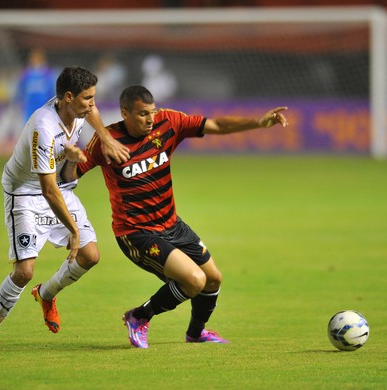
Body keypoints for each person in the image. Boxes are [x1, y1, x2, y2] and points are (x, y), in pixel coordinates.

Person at [62, 85, 288, 348]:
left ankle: (196, 333)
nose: (150, 119)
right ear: (125, 113)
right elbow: (70, 176)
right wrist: (71, 159)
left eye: (152, 112)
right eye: (143, 114)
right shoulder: (107, 142)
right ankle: (138, 316)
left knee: (213, 278)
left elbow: (214, 125)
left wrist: (258, 123)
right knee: (194, 280)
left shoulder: (168, 122)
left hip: (172, 224)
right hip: (136, 233)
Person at [0, 66, 130, 352]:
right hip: (25, 193)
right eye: (87, 98)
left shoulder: (76, 110)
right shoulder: (43, 128)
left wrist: (105, 138)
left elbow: (92, 115)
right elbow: (47, 190)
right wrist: (73, 229)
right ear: (68, 97)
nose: (93, 105)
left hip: (59, 186)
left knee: (90, 255)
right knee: (24, 271)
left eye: (94, 97)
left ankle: (46, 294)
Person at [16, 48, 59, 123]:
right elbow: (20, 89)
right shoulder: (26, 73)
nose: (35, 60)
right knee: (30, 128)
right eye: (33, 58)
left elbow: (54, 90)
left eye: (37, 58)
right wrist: (21, 102)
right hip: (30, 108)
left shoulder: (49, 73)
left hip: (45, 107)